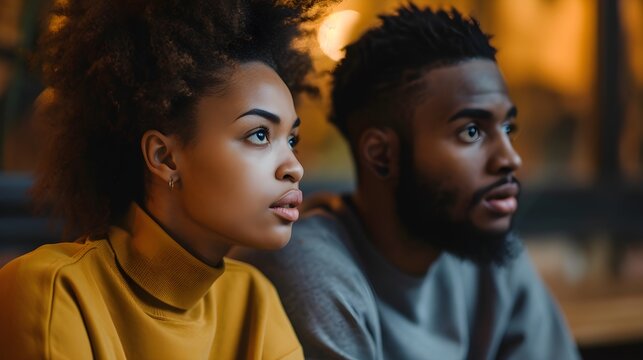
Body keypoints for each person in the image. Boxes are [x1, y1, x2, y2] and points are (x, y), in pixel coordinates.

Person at [231, 4, 581, 359]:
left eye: (508, 129)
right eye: (471, 131)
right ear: (381, 155)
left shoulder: (489, 248)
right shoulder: (310, 269)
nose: (510, 158)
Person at [0, 0, 330, 358]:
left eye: (291, 139)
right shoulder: (52, 288)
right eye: (260, 135)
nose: (294, 168)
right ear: (165, 157)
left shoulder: (254, 299)